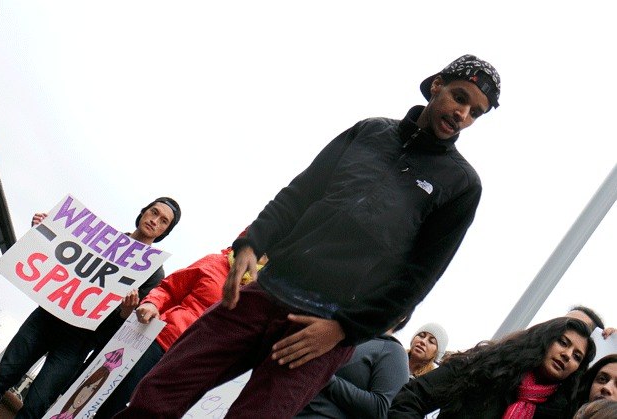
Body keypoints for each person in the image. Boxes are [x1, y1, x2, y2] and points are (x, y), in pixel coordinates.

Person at [116, 54, 502, 418]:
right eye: (459, 97)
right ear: (437, 85)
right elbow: (300, 194)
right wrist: (252, 243)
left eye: (474, 113)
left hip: (323, 329)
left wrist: (344, 331)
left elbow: (420, 275)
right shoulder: (369, 131)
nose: (462, 114)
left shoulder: (462, 185)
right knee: (158, 393)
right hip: (267, 291)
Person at [0, 197, 180, 419]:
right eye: (153, 212)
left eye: (163, 221)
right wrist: (45, 233)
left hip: (78, 341)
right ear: (143, 211)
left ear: (165, 231)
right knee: (2, 375)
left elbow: (128, 322)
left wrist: (127, 311)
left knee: (37, 403)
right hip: (47, 318)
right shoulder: (99, 239)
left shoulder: (154, 273)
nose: (154, 220)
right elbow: (62, 255)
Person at [92, 244, 267, 418]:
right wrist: (152, 303)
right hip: (160, 344)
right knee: (113, 402)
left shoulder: (265, 296)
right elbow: (170, 287)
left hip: (197, 364)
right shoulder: (214, 262)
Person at [388, 317, 596, 418]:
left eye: (577, 356)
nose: (567, 355)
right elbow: (412, 398)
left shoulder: (560, 413)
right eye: (563, 342)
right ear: (544, 339)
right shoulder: (485, 366)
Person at [295, 318, 409, 418]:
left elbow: (382, 409)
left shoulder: (393, 350)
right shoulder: (344, 333)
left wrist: (328, 378)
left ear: (402, 316)